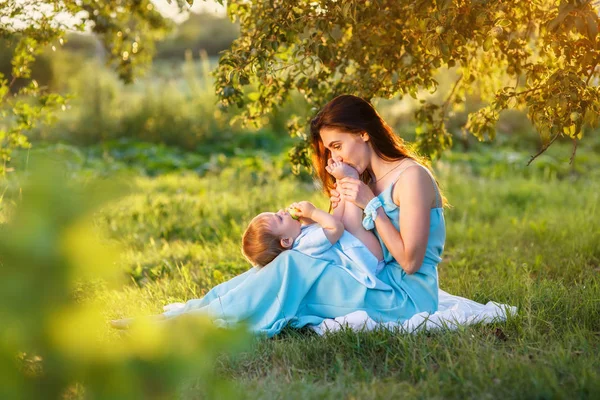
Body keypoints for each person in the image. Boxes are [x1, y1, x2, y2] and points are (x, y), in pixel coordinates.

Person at [111, 94, 446, 337]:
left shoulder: (411, 177)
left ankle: (197, 324)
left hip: (405, 298)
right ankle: (197, 309)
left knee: (292, 266)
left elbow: (410, 262)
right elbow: (346, 239)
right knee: (276, 265)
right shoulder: (365, 180)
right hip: (373, 282)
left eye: (337, 145)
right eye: (329, 150)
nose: (333, 156)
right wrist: (338, 201)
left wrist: (369, 203)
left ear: (363, 132)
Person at [240, 159, 389, 290]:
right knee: (349, 225)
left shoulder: (300, 238)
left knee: (339, 213)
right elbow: (336, 228)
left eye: (276, 212)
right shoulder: (306, 245)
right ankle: (350, 178)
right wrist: (312, 212)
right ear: (286, 241)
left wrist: (306, 219)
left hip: (354, 249)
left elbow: (318, 227)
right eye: (279, 219)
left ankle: (342, 182)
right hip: (367, 257)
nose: (281, 211)